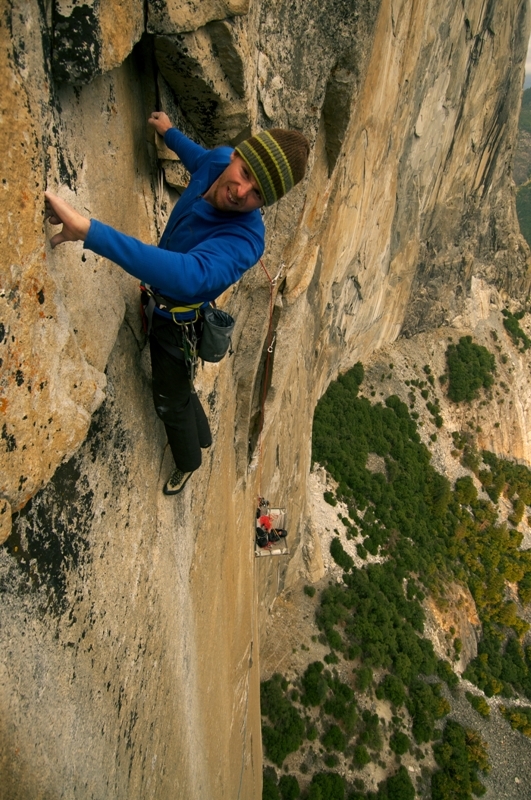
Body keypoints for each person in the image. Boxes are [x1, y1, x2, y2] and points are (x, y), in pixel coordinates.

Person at [45, 111, 309, 495]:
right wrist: (169, 133)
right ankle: (201, 435)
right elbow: (198, 159)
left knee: (168, 400)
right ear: (238, 155)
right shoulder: (219, 161)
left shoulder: (247, 241)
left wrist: (91, 232)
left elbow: (189, 275)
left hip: (175, 320)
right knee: (181, 392)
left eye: (257, 195)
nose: (241, 192)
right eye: (247, 174)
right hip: (165, 305)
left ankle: (189, 462)